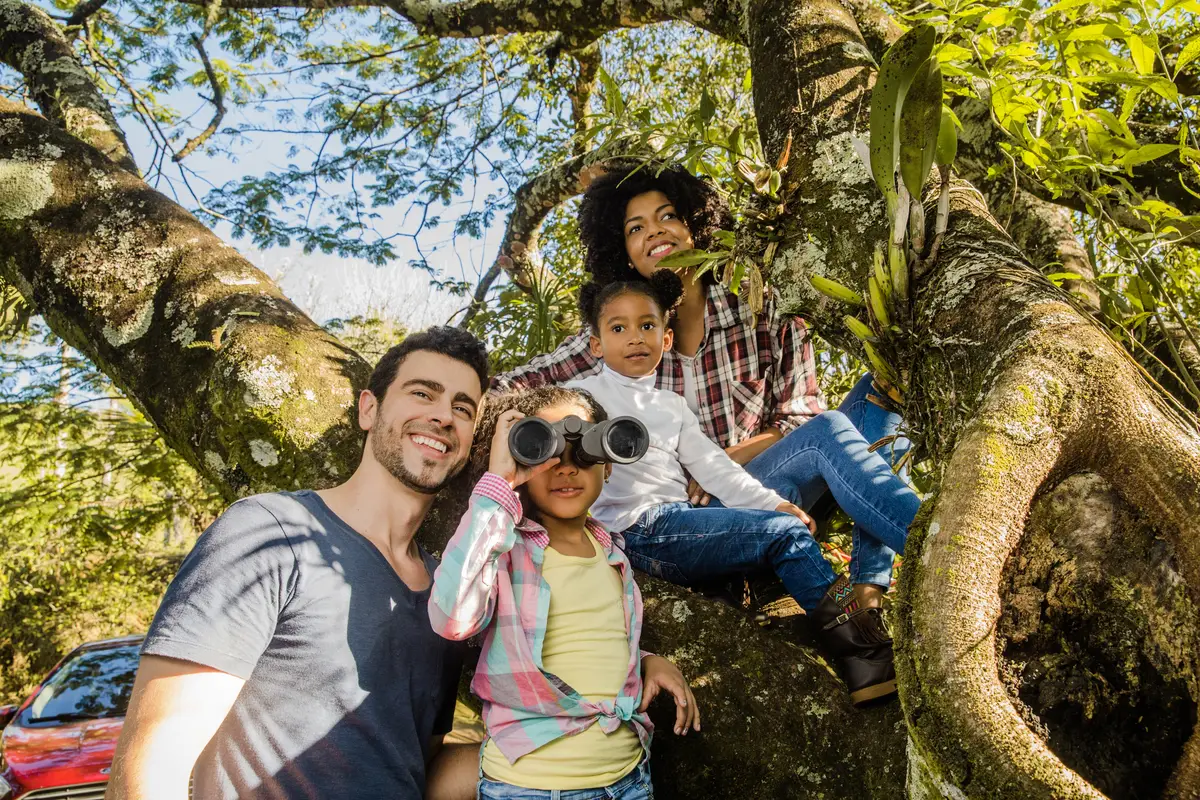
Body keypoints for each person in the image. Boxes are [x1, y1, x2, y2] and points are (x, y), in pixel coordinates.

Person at [493, 163, 911, 614]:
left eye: (668, 216)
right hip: (686, 521)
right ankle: (917, 542)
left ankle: (880, 578)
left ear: (697, 225)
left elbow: (800, 417)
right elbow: (511, 386)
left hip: (767, 484)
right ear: (624, 250)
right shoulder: (623, 333)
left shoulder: (762, 306)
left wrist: (716, 463)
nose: (654, 232)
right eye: (636, 228)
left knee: (880, 385)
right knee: (831, 430)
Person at [105, 327, 489, 800]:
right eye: (422, 393)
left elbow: (415, 767)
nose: (442, 416)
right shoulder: (268, 531)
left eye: (462, 408)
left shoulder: (450, 595)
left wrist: (560, 746)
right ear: (368, 409)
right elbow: (152, 769)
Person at [564, 272, 917, 705]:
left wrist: (776, 502)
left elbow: (716, 470)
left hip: (682, 522)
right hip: (638, 532)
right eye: (618, 328)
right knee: (784, 535)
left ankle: (854, 627)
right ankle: (863, 653)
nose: (634, 337)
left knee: (782, 522)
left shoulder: (670, 406)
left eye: (647, 326)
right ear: (596, 344)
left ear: (667, 338)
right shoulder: (579, 396)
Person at [429, 385, 700, 799]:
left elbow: (589, 644)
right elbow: (452, 618)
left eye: (586, 451)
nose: (566, 468)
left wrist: (647, 661)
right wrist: (497, 485)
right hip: (532, 788)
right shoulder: (507, 548)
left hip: (629, 778)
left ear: (608, 463)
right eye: (546, 449)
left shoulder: (613, 556)